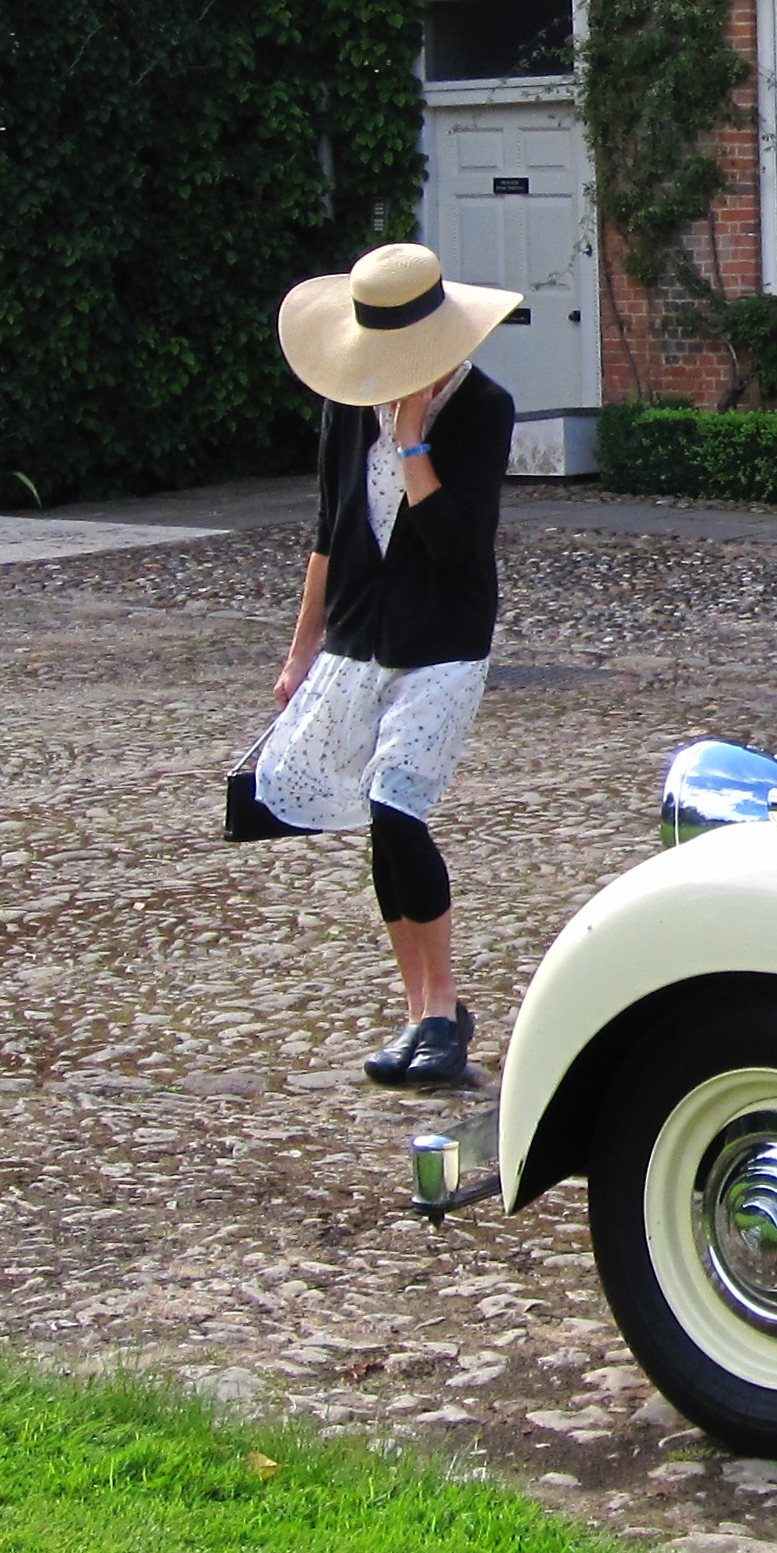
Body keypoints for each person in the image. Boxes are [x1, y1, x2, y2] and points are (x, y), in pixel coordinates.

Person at [260, 241, 519, 1090]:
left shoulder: (483, 408)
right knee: (377, 822)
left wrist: (413, 444)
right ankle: (417, 1010)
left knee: (397, 804)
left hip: (444, 637)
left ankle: (443, 1010)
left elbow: (457, 549)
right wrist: (301, 650)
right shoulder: (346, 408)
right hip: (361, 636)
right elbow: (328, 533)